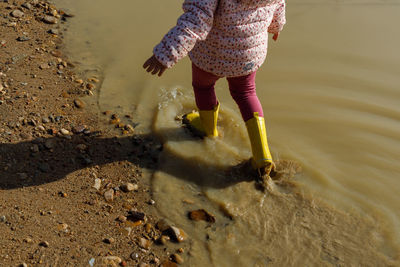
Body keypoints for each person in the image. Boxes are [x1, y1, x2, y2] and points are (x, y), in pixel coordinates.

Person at [143, 0, 286, 177]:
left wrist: (165, 53)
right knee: (246, 93)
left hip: (212, 54)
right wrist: (276, 26)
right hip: (248, 54)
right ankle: (262, 154)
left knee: (203, 87)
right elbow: (279, 5)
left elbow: (196, 21)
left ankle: (208, 129)